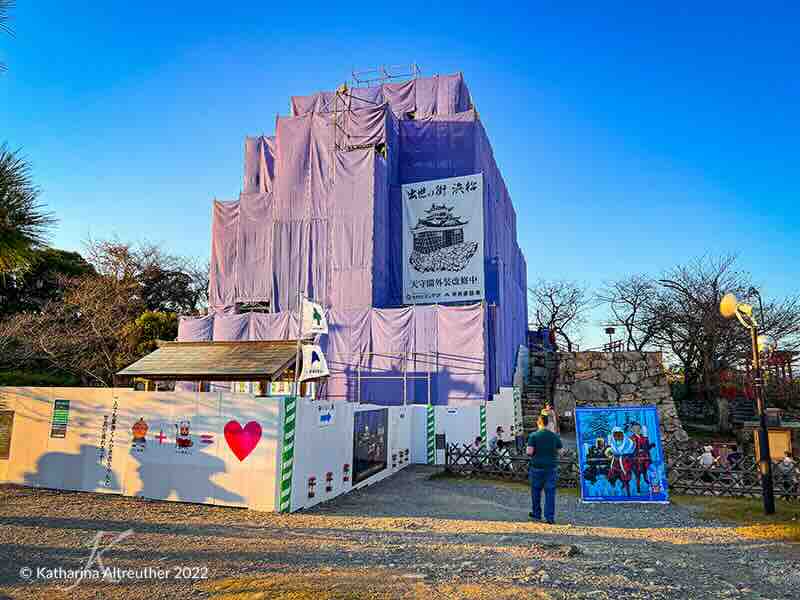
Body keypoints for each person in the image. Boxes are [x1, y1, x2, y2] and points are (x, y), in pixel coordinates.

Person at [526, 413, 563, 524]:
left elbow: (529, 452)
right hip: (551, 468)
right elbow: (561, 452)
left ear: (539, 423)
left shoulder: (534, 436)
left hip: (537, 468)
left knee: (536, 491)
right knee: (550, 493)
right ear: (547, 423)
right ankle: (549, 517)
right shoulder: (554, 436)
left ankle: (536, 514)